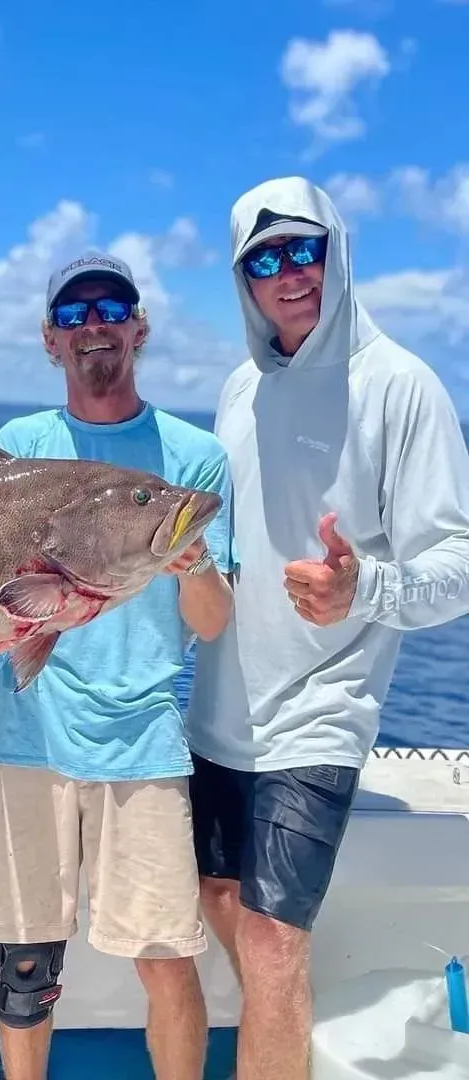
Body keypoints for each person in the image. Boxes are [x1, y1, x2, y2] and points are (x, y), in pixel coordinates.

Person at [185, 176, 469, 1080]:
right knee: (222, 900)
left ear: (337, 251)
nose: (287, 273)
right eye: (263, 259)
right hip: (218, 711)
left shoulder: (403, 386)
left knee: (272, 944)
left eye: (303, 249)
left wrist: (367, 588)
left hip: (321, 711)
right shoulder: (237, 390)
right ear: (243, 280)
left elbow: (457, 566)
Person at [0, 253, 236, 1080]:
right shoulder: (21, 447)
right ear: (51, 339)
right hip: (29, 730)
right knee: (22, 966)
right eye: (74, 314)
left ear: (139, 327)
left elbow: (214, 622)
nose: (94, 324)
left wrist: (188, 560)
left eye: (111, 307)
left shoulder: (193, 457)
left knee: (164, 958)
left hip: (143, 741)